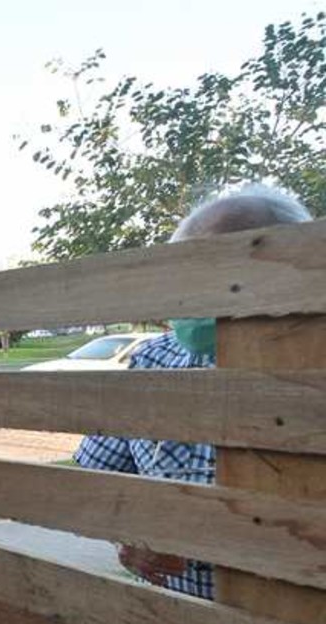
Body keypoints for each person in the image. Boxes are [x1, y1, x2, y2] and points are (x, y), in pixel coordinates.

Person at [74, 184, 313, 599]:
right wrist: (127, 532)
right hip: (181, 620)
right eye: (185, 273)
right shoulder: (152, 362)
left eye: (215, 270)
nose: (191, 293)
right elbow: (94, 478)